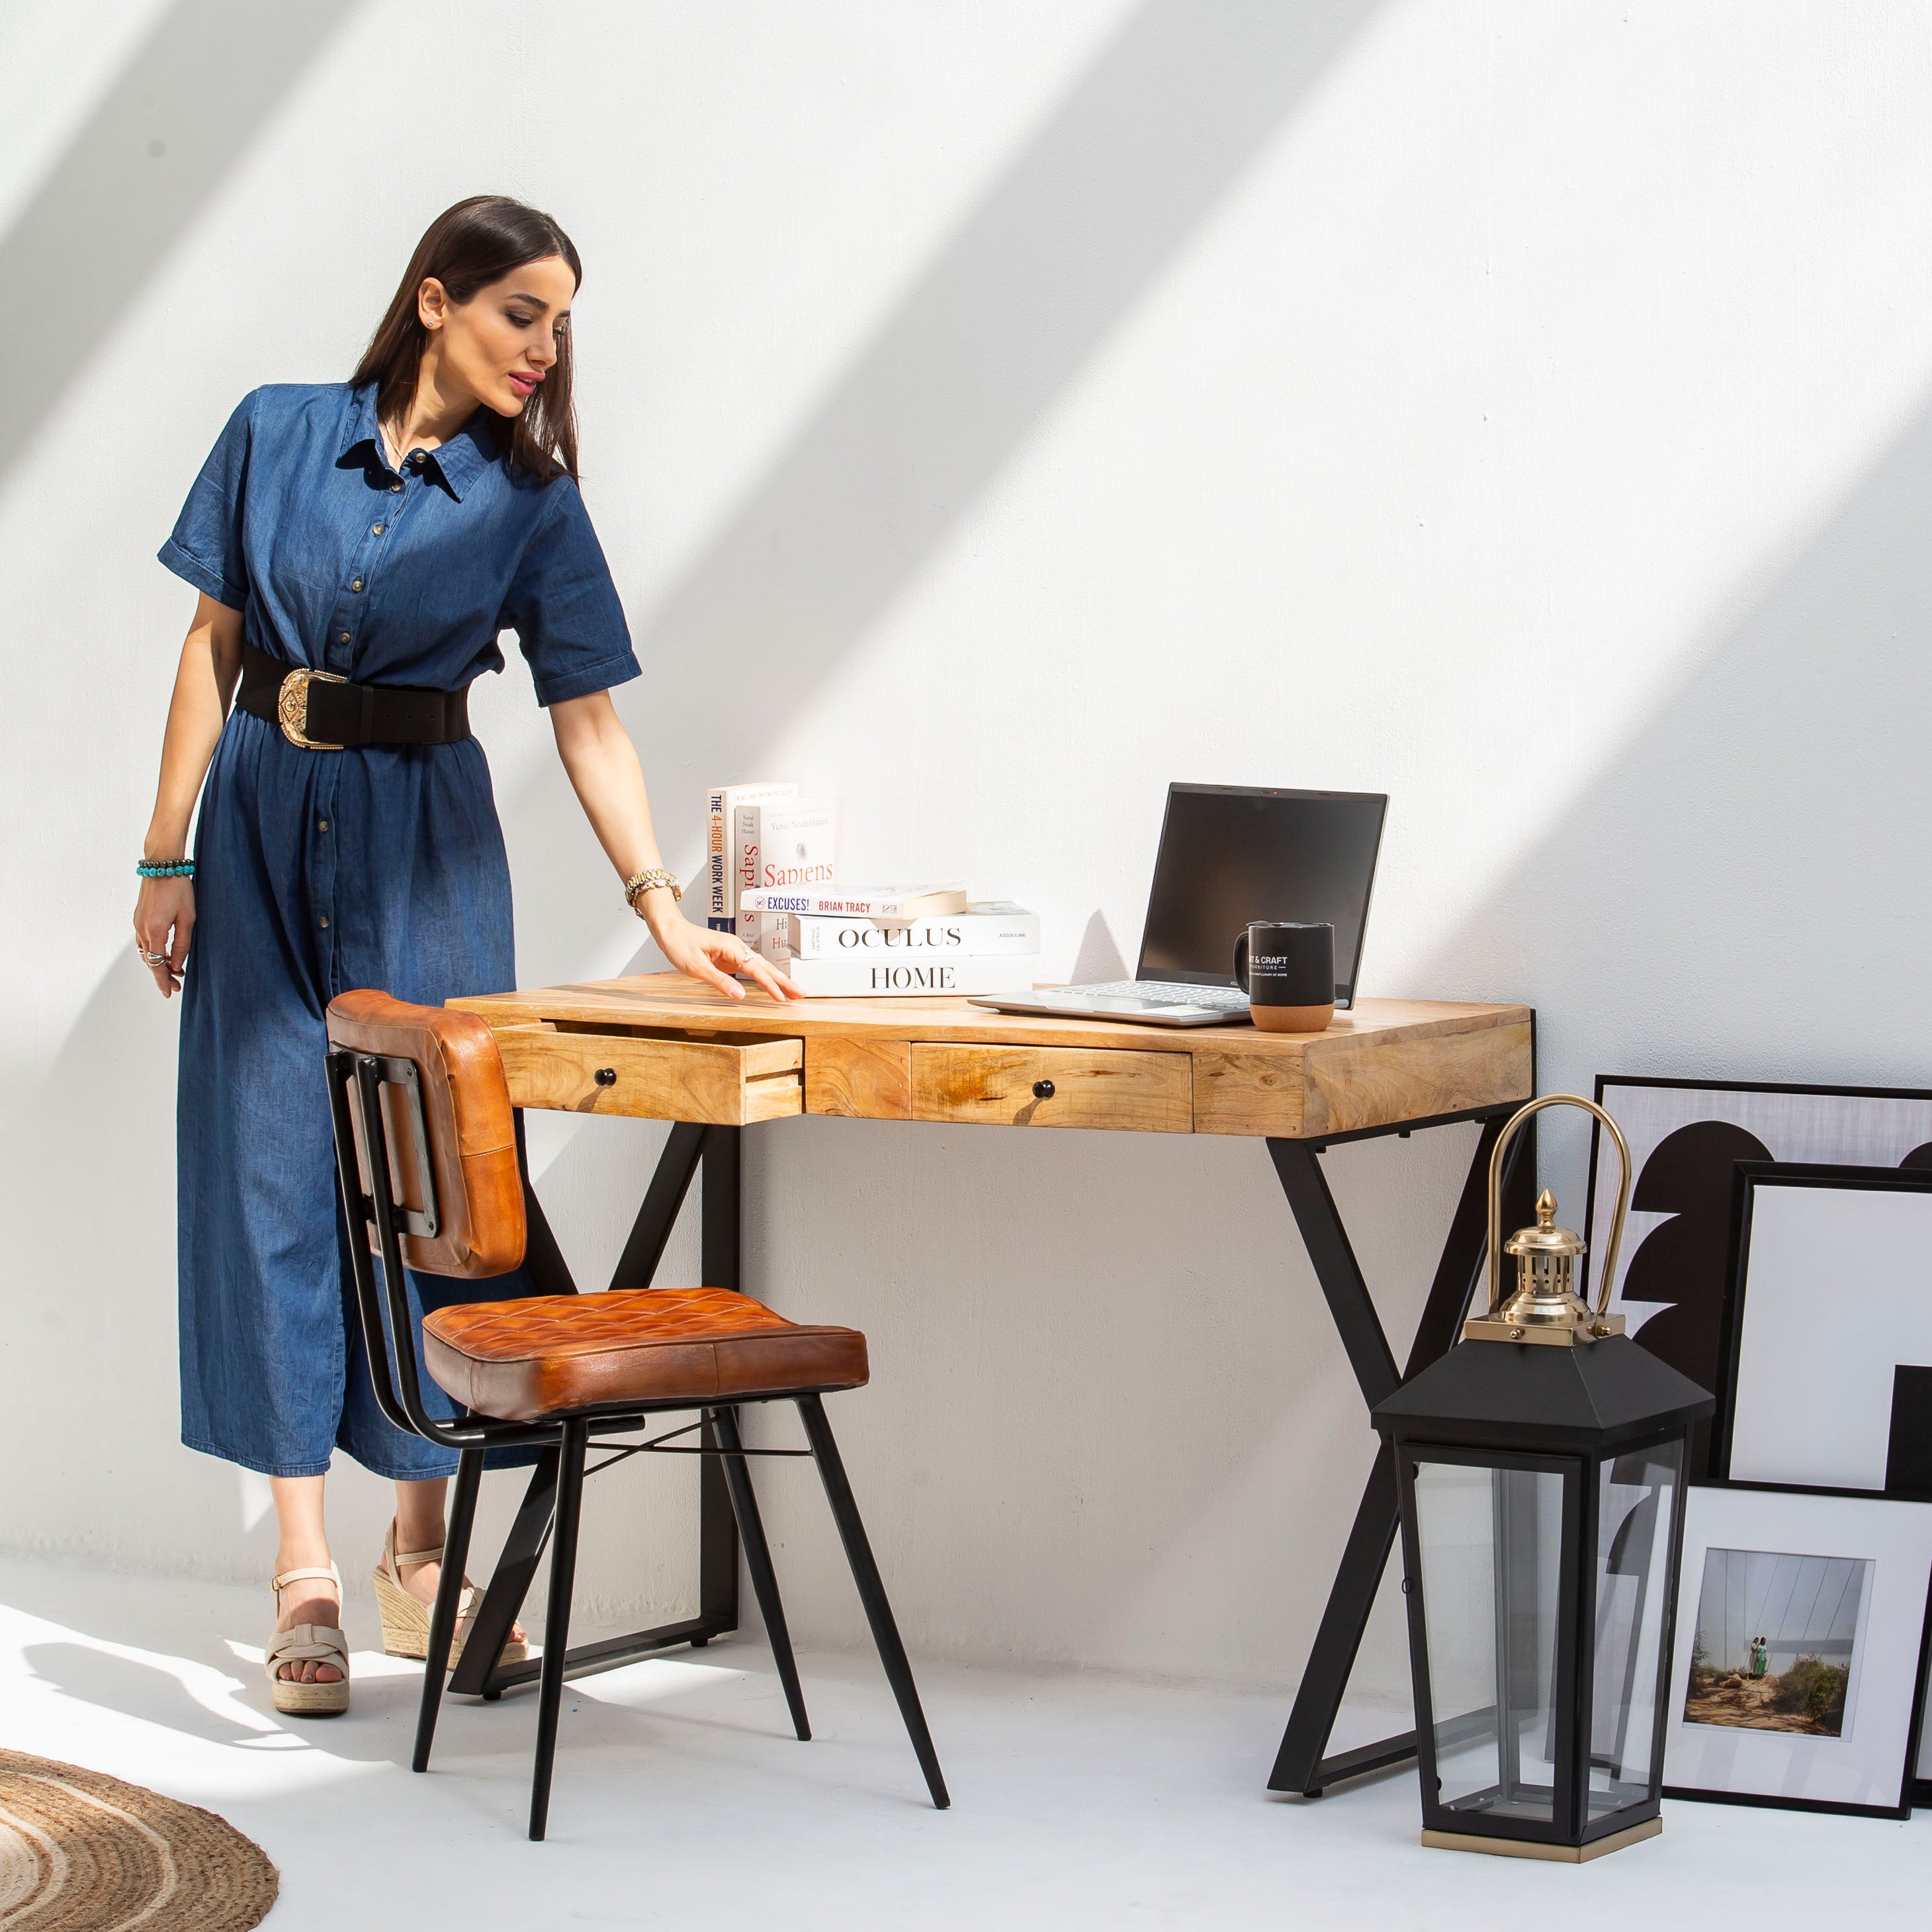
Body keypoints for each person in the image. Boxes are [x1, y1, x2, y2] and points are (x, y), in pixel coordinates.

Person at [134, 196, 799, 1716]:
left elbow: (586, 714)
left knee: (433, 1192)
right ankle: (304, 1569)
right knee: (268, 1173)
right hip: (253, 826)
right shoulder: (275, 430)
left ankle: (417, 1557)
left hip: (423, 851)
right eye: (521, 314)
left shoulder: (530, 498)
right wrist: (165, 851)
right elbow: (208, 643)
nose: (543, 349)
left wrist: (660, 906)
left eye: (561, 324)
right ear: (435, 301)